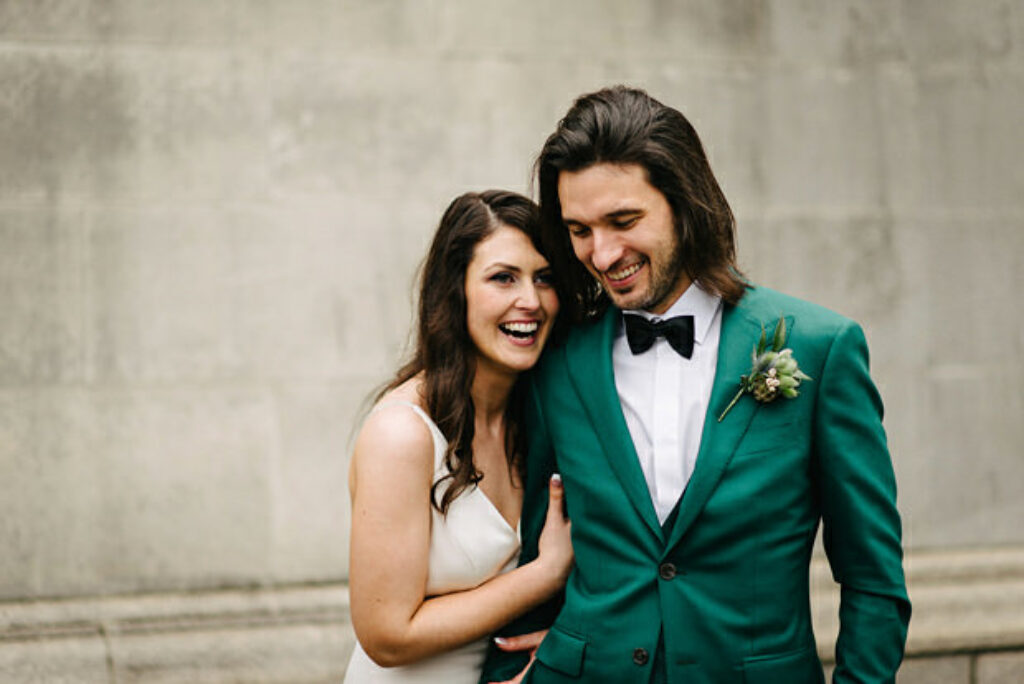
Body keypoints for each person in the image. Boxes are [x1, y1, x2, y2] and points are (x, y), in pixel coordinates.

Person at [481, 86, 910, 683]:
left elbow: (873, 579)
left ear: (684, 203)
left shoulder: (820, 348)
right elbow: (536, 552)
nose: (602, 254)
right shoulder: (558, 361)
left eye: (623, 221)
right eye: (579, 230)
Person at [344, 190, 574, 683]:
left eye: (545, 279)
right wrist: (544, 575)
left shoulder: (537, 420)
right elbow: (386, 635)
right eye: (502, 278)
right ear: (456, 291)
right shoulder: (402, 433)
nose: (530, 301)